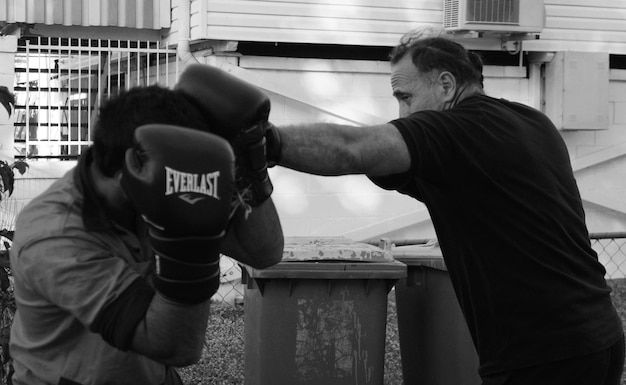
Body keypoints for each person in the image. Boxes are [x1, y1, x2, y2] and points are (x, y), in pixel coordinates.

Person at [199, 30, 624, 384]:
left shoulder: (457, 130)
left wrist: (262, 143)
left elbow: (354, 149)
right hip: (601, 334)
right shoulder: (530, 124)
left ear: (445, 85)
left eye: (405, 97)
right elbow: (384, 162)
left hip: (543, 355)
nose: (400, 111)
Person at [9, 84, 284, 385]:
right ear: (137, 165)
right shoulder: (53, 236)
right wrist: (191, 237)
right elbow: (176, 346)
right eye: (179, 167)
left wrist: (250, 171)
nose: (188, 178)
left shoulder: (145, 192)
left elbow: (263, 252)